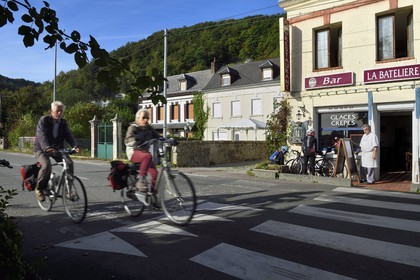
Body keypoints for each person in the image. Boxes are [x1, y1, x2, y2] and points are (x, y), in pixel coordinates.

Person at [33, 101, 81, 201]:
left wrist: (75, 146)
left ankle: (68, 190)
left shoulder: (63, 122)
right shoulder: (44, 120)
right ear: (51, 111)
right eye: (57, 111)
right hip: (41, 149)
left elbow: (69, 135)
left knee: (69, 164)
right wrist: (47, 147)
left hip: (57, 149)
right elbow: (42, 136)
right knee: (46, 165)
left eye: (61, 111)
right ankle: (39, 189)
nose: (59, 113)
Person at [125, 109, 160, 192]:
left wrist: (168, 140)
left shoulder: (149, 128)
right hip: (134, 152)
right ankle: (141, 179)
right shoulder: (133, 127)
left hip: (144, 154)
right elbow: (127, 140)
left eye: (147, 118)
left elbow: (158, 136)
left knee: (155, 173)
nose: (146, 120)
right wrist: (137, 139)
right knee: (148, 156)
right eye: (144, 117)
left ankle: (152, 193)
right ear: (137, 118)